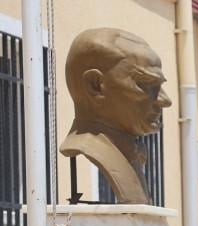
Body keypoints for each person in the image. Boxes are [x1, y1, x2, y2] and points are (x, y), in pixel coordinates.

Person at [60, 28, 172, 204]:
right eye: (145, 83)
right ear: (95, 86)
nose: (165, 100)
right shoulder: (95, 149)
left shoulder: (131, 153)